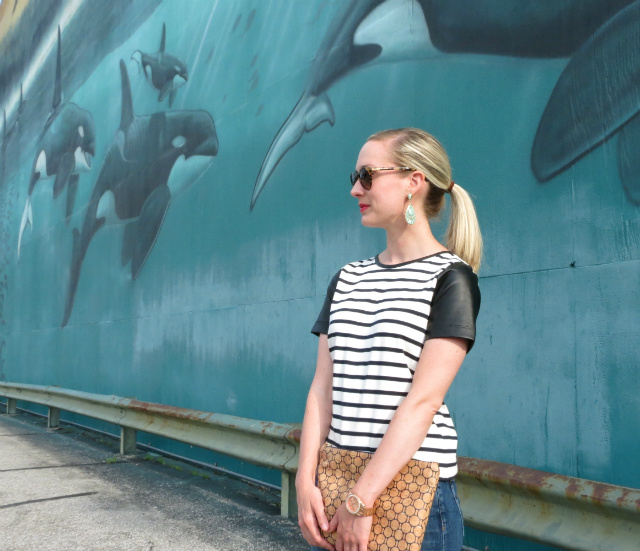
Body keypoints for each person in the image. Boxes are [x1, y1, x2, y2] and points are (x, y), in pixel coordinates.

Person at [296, 128, 482, 551]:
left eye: (367, 175)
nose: (355, 189)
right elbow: (321, 391)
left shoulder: (451, 279)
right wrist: (305, 480)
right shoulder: (346, 278)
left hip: (411, 493)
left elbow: (423, 402)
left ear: (414, 182)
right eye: (354, 177)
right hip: (337, 484)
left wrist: (362, 501)